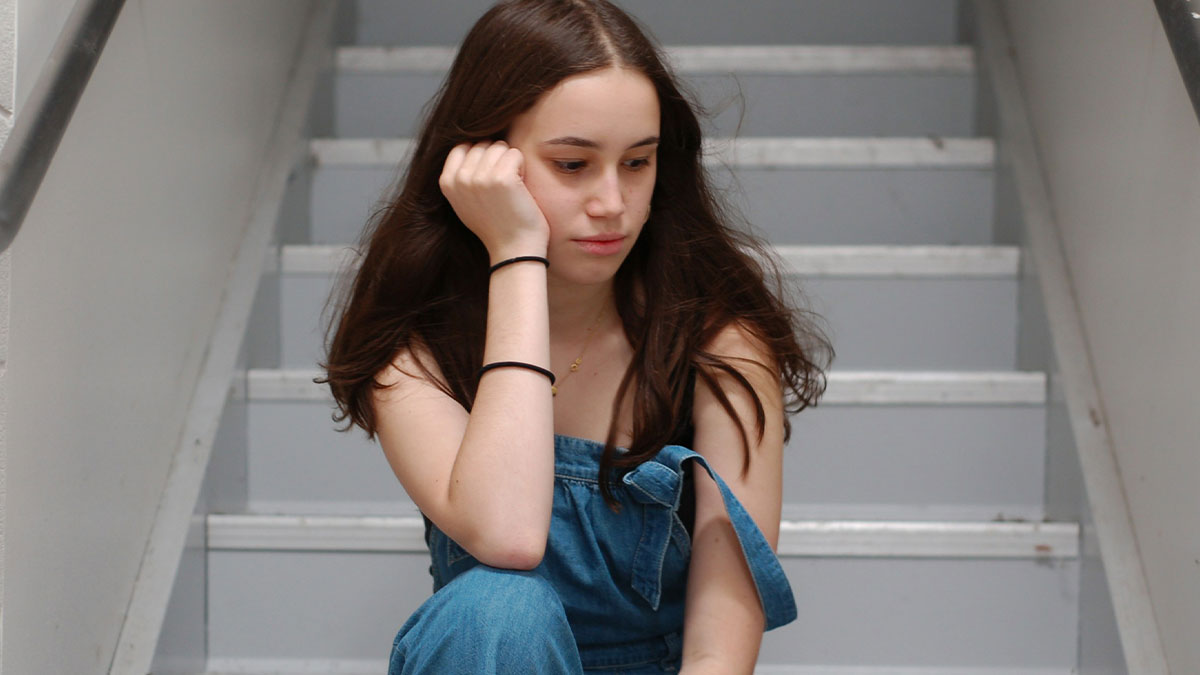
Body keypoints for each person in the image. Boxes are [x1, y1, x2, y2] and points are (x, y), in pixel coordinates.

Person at [319, 0, 832, 672]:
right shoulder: (414, 346)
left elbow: (722, 636)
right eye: (572, 165)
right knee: (498, 609)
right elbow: (509, 535)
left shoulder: (717, 339)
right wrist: (515, 254)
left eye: (638, 162)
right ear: (484, 163)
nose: (613, 203)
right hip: (493, 656)